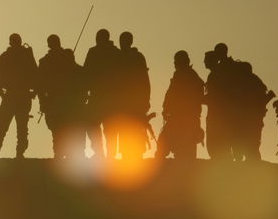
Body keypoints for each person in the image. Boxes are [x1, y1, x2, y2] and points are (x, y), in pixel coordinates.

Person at [35, 34, 87, 158]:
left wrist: (43, 102)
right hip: (63, 101)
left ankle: (62, 155)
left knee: (59, 130)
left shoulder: (45, 61)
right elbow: (40, 85)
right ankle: (67, 155)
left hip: (58, 101)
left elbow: (40, 85)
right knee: (63, 130)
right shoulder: (64, 57)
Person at [0, 33, 37, 158]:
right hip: (16, 97)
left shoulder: (10, 56)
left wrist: (2, 93)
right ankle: (13, 154)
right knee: (12, 128)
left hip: (15, 98)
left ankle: (4, 154)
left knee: (11, 128)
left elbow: (36, 77)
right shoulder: (22, 56)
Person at [158, 50, 203, 159]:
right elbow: (170, 94)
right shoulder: (180, 75)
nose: (175, 64)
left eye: (176, 61)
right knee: (170, 144)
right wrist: (166, 108)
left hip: (185, 118)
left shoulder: (190, 76)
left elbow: (195, 96)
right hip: (178, 117)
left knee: (185, 148)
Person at [83, 28, 119, 159]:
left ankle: (105, 154)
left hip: (106, 97)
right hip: (102, 97)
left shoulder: (95, 52)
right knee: (97, 126)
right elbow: (86, 72)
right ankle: (103, 154)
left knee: (108, 128)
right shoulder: (115, 52)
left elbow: (86, 72)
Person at [116, 31, 151, 159]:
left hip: (134, 101)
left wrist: (146, 99)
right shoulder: (121, 57)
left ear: (130, 42)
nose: (121, 43)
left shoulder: (135, 57)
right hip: (126, 102)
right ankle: (128, 156)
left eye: (124, 40)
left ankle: (135, 156)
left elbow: (144, 80)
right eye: (121, 40)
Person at [234, 61, 273, 162]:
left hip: (249, 120)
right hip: (249, 119)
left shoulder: (249, 82)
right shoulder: (253, 81)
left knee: (250, 147)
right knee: (248, 146)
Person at [203, 43, 235, 161]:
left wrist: (201, 99)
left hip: (219, 113)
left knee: (218, 140)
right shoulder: (223, 70)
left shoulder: (219, 72)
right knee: (220, 141)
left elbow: (217, 95)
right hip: (223, 112)